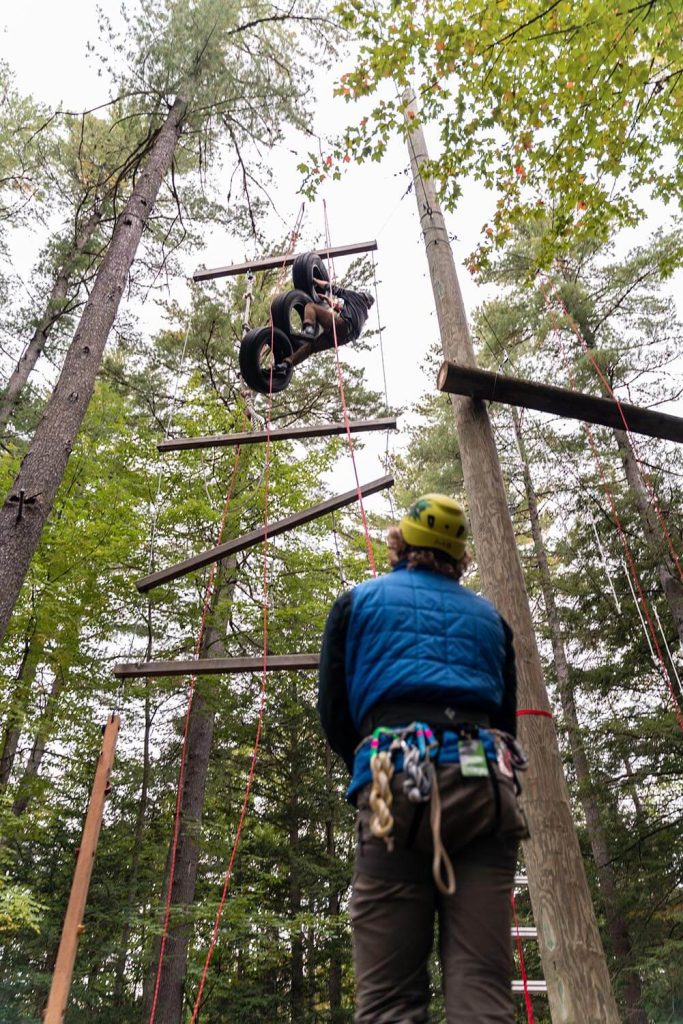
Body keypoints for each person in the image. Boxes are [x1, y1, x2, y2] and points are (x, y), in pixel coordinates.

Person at [317, 494, 529, 1023]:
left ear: (400, 543)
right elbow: (504, 720)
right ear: (459, 557)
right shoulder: (491, 620)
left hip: (395, 784)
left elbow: (335, 711)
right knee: (482, 985)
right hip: (484, 784)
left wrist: (368, 768)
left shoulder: (357, 603)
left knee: (390, 999)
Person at [276, 277, 374, 372]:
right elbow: (339, 308)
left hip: (341, 325)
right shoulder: (363, 316)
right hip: (343, 338)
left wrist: (315, 280)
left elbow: (333, 289)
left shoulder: (356, 297)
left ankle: (309, 329)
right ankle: (287, 363)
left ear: (363, 295)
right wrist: (327, 299)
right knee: (311, 347)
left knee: (311, 306)